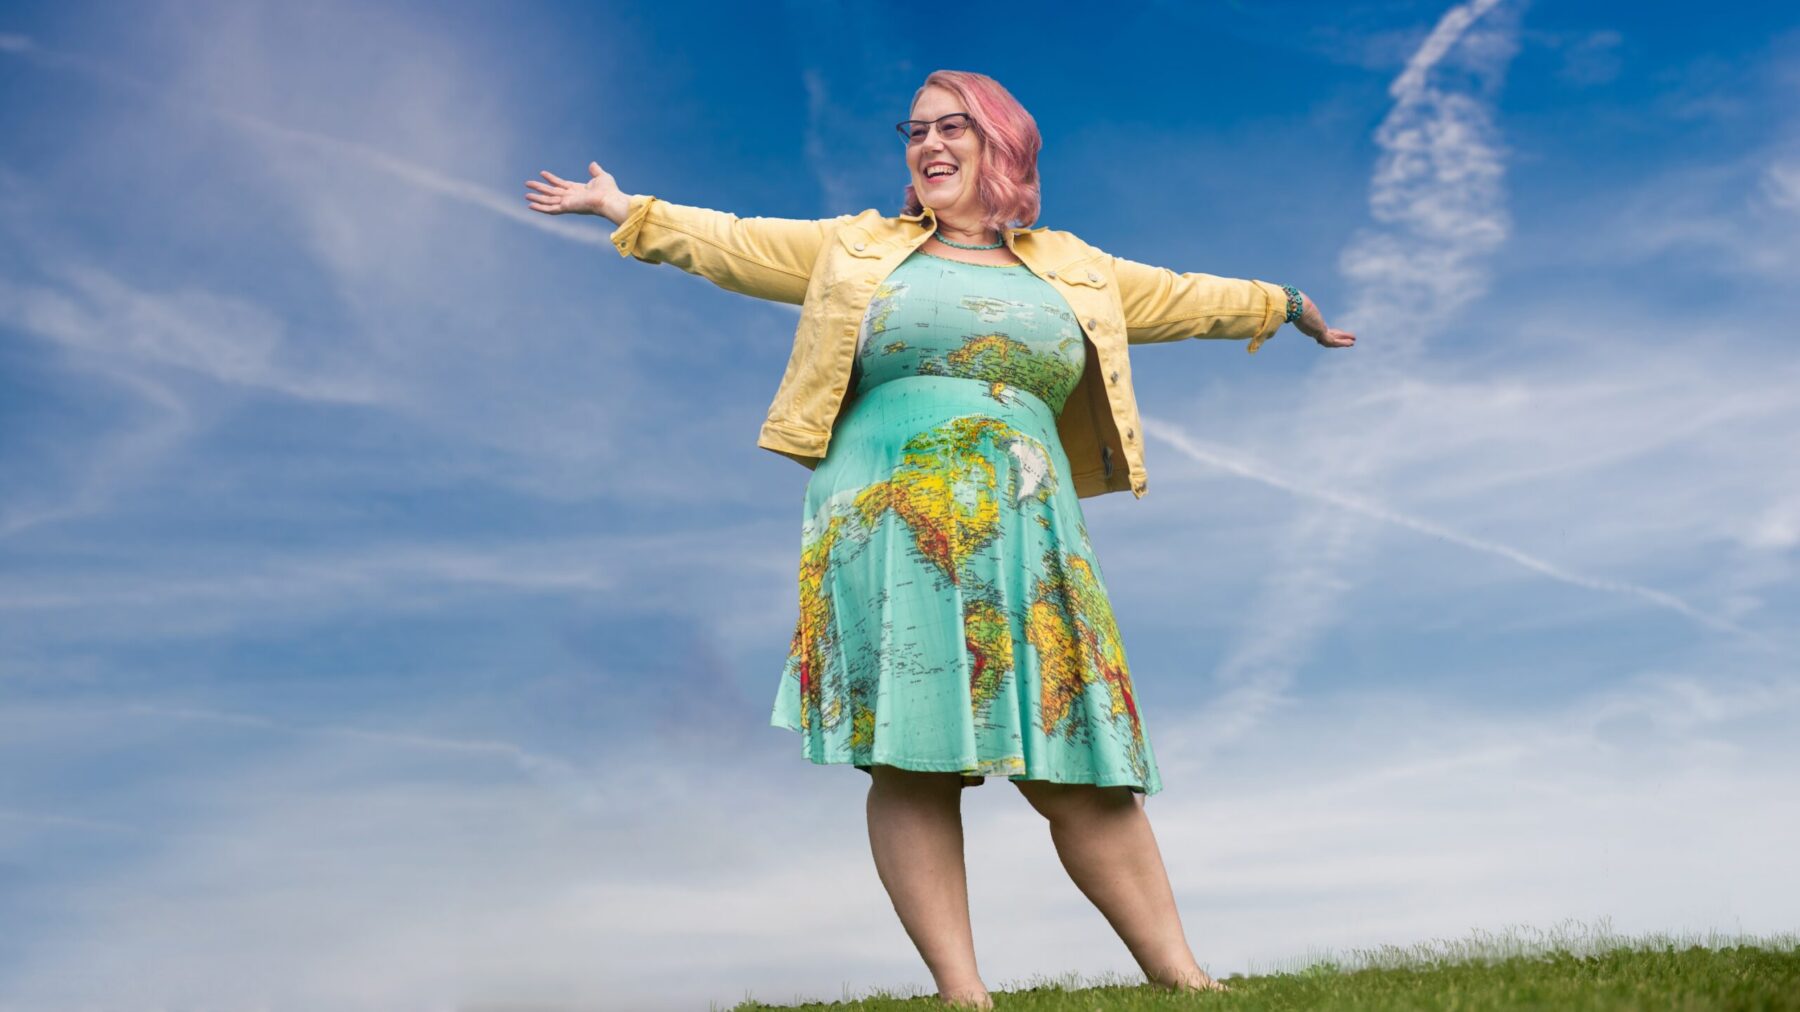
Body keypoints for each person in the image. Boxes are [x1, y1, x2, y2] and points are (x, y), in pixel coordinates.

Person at [526, 69, 1355, 1011]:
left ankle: (1187, 980)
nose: (928, 145)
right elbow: (733, 242)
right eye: (914, 130)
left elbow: (1185, 296)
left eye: (952, 126)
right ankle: (963, 994)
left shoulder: (1076, 268)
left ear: (1002, 143)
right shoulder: (855, 248)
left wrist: (1286, 305)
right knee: (910, 758)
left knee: (1080, 751)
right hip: (885, 522)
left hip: (1031, 530)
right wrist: (622, 206)